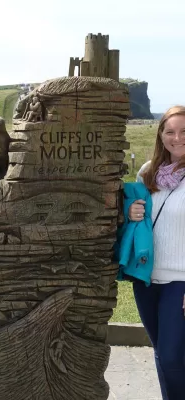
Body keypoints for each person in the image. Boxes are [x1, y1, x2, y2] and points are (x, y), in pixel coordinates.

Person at [128, 105, 185, 400]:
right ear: (161, 135)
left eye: (184, 131)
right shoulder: (147, 173)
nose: (177, 138)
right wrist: (131, 212)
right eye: (170, 131)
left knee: (174, 357)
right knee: (163, 353)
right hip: (147, 279)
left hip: (181, 282)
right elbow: (140, 225)